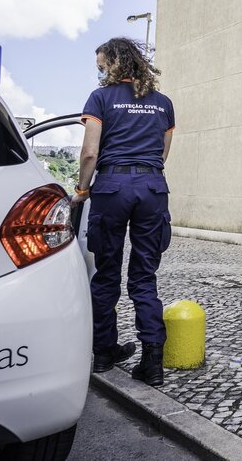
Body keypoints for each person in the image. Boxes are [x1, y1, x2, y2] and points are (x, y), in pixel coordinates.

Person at [72, 37, 175, 386]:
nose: (100, 72)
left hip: (112, 187)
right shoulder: (163, 103)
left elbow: (90, 152)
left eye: (102, 66)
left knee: (106, 274)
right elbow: (162, 154)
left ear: (114, 63)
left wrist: (81, 191)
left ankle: (104, 353)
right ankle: (152, 363)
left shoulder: (100, 98)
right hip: (152, 187)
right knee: (144, 277)